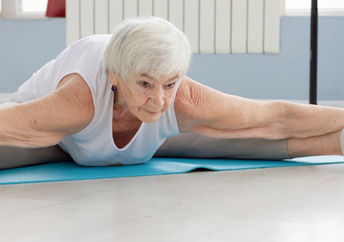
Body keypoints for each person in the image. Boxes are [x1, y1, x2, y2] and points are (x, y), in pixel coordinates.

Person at [0, 17, 343, 169]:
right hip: (60, 141)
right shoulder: (78, 102)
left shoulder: (182, 100)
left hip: (146, 144)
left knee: (240, 136)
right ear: (115, 77)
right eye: (145, 84)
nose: (160, 100)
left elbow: (275, 117)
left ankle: (337, 142)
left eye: (170, 82)